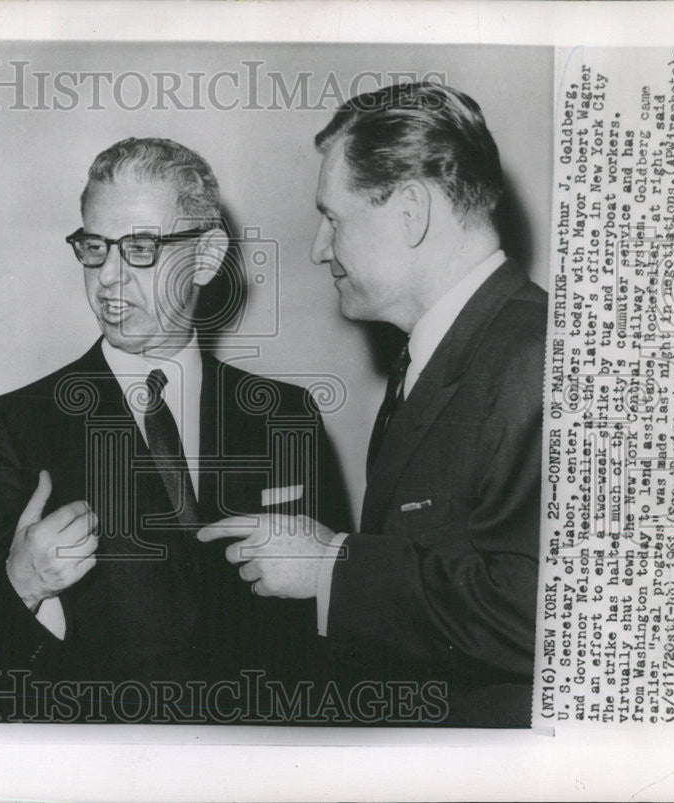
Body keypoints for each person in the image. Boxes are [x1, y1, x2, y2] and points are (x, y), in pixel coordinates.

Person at [200, 83, 547, 727]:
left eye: (333, 217)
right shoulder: (437, 357)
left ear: (411, 211)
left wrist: (331, 566)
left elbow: (550, 616)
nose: (318, 248)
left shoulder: (536, 357)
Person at [0, 137, 349, 723]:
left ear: (206, 256)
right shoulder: (21, 423)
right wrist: (23, 583)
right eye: (95, 248)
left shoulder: (287, 416)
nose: (109, 279)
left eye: (141, 248)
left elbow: (339, 630)